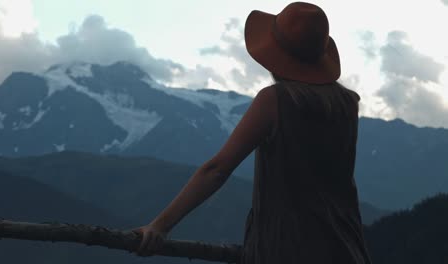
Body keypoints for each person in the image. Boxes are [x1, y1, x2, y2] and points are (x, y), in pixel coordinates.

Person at [132, 2, 373, 263]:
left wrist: (160, 225)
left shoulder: (276, 100)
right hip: (345, 246)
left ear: (276, 55)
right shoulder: (347, 104)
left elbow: (217, 169)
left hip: (288, 247)